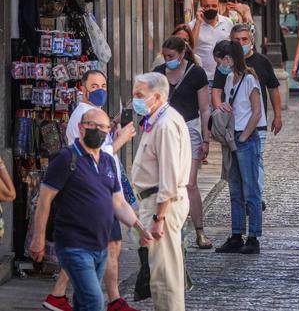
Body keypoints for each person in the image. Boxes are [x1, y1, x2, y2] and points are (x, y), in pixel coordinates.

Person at [30, 109, 152, 311]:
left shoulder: (107, 161)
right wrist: (38, 237)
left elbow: (119, 203)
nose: (99, 131)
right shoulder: (65, 158)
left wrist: (138, 226)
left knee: (83, 301)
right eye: (92, 126)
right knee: (94, 301)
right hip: (73, 245)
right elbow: (44, 200)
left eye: (104, 127)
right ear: (81, 128)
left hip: (100, 246)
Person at [45, 69, 137, 311]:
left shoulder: (91, 114)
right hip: (91, 190)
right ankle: (106, 299)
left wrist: (114, 128)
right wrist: (121, 139)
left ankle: (104, 298)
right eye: (94, 86)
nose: (100, 90)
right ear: (82, 88)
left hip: (104, 188)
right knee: (99, 248)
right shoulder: (83, 116)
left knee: (108, 246)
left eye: (103, 85)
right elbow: (94, 153)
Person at [131, 72, 192, 311]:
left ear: (155, 96)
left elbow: (169, 175)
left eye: (139, 95)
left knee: (165, 276)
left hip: (161, 203)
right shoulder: (156, 119)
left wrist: (159, 217)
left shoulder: (165, 124)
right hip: (154, 201)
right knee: (162, 272)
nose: (135, 100)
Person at [153, 36, 213, 249]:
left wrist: (206, 139)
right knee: (166, 181)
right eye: (165, 56)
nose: (167, 59)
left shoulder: (196, 73)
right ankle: (169, 231)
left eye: (171, 56)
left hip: (190, 128)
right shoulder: (159, 73)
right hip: (165, 130)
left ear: (181, 54)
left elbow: (205, 109)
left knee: (190, 183)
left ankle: (200, 231)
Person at [213, 24, 282, 204]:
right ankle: (246, 198)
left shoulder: (262, 62)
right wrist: (220, 108)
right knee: (236, 165)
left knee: (256, 161)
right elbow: (216, 90)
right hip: (233, 125)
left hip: (257, 124)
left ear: (251, 40)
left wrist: (278, 115)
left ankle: (254, 200)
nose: (241, 43)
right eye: (237, 40)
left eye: (244, 39)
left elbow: (273, 89)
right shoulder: (225, 66)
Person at [214, 41, 265, 254]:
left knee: (251, 188)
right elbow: (231, 104)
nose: (219, 66)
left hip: (245, 138)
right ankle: (236, 234)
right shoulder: (228, 79)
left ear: (229, 59)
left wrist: (244, 136)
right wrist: (223, 106)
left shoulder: (250, 79)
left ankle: (253, 236)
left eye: (220, 61)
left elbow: (256, 111)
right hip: (232, 138)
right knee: (235, 188)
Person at [189, 0, 234, 87]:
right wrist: (198, 23)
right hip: (204, 78)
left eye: (214, 6)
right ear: (201, 7)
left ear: (218, 6)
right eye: (207, 6)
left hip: (226, 76)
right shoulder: (192, 25)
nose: (211, 8)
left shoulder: (227, 23)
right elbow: (190, 47)